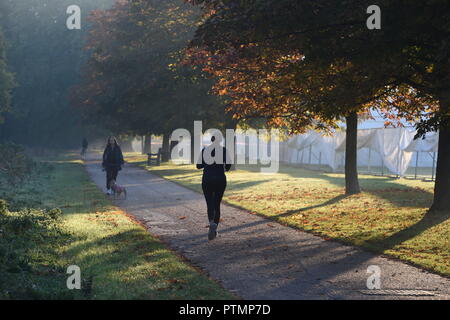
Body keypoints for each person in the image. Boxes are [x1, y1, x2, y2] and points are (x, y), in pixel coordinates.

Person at [196, 133, 232, 240]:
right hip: (220, 179)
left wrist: (206, 164)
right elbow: (229, 165)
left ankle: (211, 222)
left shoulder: (205, 150)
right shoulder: (224, 150)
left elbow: (198, 166)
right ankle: (215, 229)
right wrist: (223, 168)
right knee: (217, 203)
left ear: (211, 140)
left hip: (207, 179)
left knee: (209, 203)